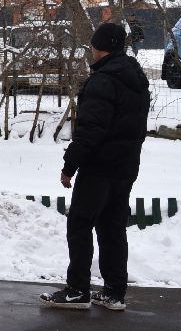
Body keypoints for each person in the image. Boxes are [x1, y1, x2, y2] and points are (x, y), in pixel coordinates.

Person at [40, 22, 150, 311]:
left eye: (92, 45)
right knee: (112, 227)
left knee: (80, 223)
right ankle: (114, 292)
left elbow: (91, 130)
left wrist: (69, 166)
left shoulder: (103, 80)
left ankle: (78, 289)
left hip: (99, 167)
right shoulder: (135, 77)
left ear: (100, 47)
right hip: (125, 166)